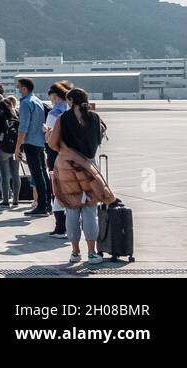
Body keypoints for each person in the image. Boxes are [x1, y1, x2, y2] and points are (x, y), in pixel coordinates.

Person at [47, 88, 113, 264]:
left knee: (72, 210)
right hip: (90, 166)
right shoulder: (94, 118)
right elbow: (98, 140)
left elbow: (53, 144)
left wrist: (55, 140)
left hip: (68, 167)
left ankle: (75, 252)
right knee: (90, 211)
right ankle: (92, 253)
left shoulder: (63, 118)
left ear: (70, 101)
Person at [15, 77, 53, 216]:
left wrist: (18, 146)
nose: (17, 90)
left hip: (30, 142)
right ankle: (48, 204)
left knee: (37, 175)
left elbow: (23, 127)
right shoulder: (37, 101)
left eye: (18, 87)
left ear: (24, 88)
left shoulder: (25, 103)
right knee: (43, 173)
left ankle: (42, 205)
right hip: (40, 141)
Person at [45, 81, 73, 237]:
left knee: (56, 191)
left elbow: (49, 137)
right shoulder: (71, 112)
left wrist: (46, 132)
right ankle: (72, 223)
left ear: (55, 97)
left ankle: (60, 227)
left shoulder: (54, 113)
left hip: (55, 154)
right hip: (71, 154)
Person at [0, 94, 22, 207]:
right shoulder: (16, 118)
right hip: (15, 148)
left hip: (2, 149)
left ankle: (6, 200)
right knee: (16, 174)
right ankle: (16, 200)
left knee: (5, 175)